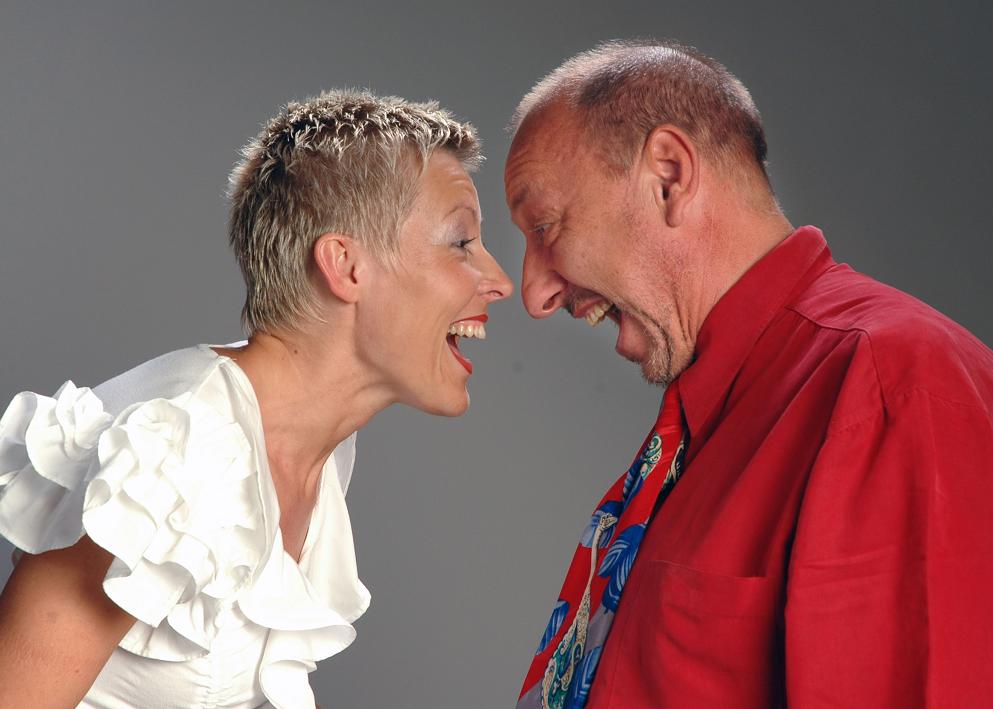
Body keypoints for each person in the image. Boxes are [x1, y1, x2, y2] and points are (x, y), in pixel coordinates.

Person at [505, 39, 993, 708]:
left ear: (668, 177)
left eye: (545, 225)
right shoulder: (700, 425)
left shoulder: (889, 385)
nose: (534, 295)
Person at [0, 89, 512, 708]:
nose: (499, 281)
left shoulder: (313, 450)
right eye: (461, 242)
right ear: (345, 266)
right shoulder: (172, 456)